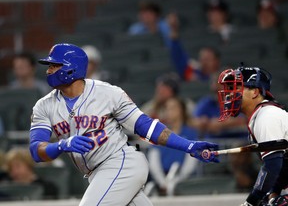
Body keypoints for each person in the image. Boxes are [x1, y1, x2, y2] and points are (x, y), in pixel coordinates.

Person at [29, 43, 219, 206]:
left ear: (71, 68)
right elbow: (37, 151)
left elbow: (147, 127)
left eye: (54, 65)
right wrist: (62, 145)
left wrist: (189, 145)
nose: (48, 70)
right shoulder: (44, 106)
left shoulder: (107, 93)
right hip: (96, 175)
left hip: (121, 163)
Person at [217, 65, 288, 206]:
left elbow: (273, 164)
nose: (230, 94)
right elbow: (281, 165)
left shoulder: (267, 115)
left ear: (255, 92)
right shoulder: (261, 115)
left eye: (237, 88)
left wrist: (252, 201)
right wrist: (273, 192)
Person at [146, 97, 198, 196]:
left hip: (184, 183)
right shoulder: (158, 133)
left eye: (173, 108)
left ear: (181, 110)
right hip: (160, 183)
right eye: (167, 108)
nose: (169, 112)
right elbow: (154, 162)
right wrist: (163, 183)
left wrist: (177, 182)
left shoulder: (190, 134)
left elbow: (191, 162)